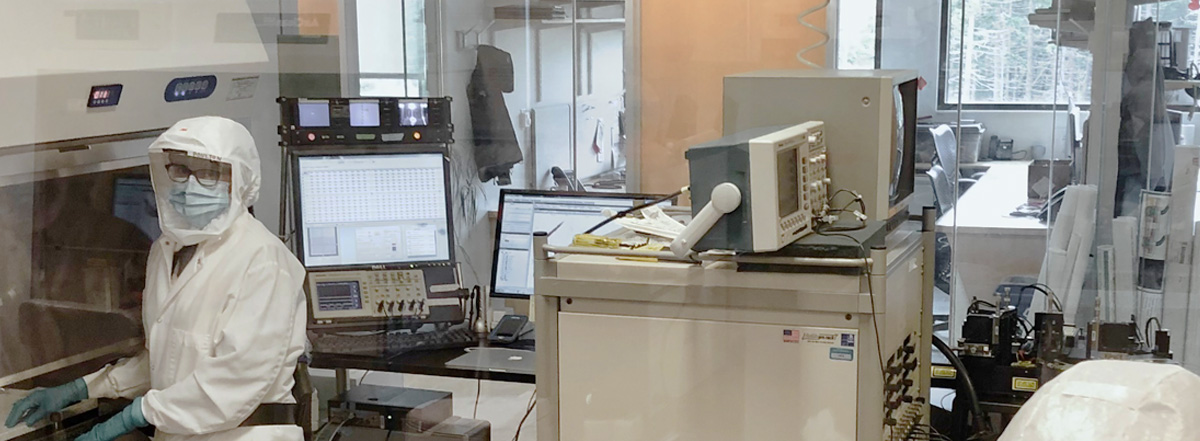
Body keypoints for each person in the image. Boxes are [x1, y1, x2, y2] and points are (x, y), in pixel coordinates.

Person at [4, 117, 308, 441]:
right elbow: (168, 359)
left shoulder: (263, 261)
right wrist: (81, 388)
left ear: (241, 180)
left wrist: (134, 415)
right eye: (181, 170)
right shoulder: (168, 250)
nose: (191, 186)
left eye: (209, 173)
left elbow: (231, 383)